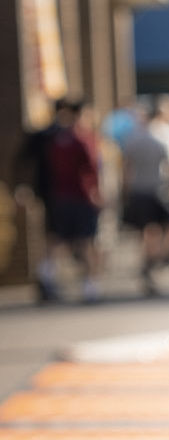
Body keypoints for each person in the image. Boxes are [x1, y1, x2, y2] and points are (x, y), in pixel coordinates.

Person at [37, 96, 103, 302]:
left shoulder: (55, 140)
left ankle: (46, 273)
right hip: (81, 196)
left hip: (59, 196)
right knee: (86, 241)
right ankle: (89, 287)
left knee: (56, 239)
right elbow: (93, 169)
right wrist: (97, 194)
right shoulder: (83, 139)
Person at [120, 98, 169, 295]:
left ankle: (149, 263)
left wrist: (125, 191)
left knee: (146, 231)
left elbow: (126, 170)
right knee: (162, 228)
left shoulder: (132, 140)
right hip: (156, 189)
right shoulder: (159, 140)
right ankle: (154, 262)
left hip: (139, 190)